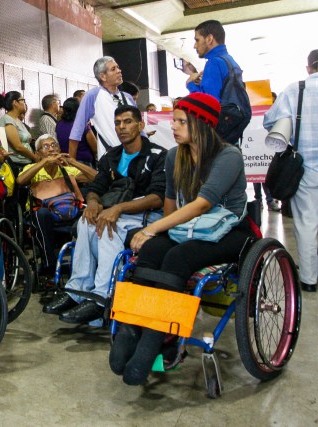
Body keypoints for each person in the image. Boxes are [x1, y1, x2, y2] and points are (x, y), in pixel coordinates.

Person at [110, 93, 252, 385]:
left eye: (180, 121)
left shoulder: (228, 156)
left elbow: (201, 204)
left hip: (230, 231)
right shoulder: (175, 155)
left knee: (177, 257)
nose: (172, 126)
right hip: (189, 228)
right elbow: (171, 204)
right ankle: (130, 328)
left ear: (201, 123)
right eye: (173, 120)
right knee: (149, 252)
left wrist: (152, 228)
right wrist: (155, 234)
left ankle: (153, 341)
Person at [43, 105, 166, 324]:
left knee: (108, 226)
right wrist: (91, 203)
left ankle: (101, 298)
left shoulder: (157, 156)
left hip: (146, 215)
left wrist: (117, 209)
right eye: (118, 123)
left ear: (140, 125)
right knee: (86, 221)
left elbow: (157, 197)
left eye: (127, 122)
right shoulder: (111, 157)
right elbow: (97, 188)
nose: (122, 127)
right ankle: (77, 291)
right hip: (115, 212)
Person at [263, 49, 318, 292]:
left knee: (307, 223)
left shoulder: (296, 90)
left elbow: (269, 122)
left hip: (305, 168)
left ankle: (309, 280)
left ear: (308, 68)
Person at [16, 134, 96, 277]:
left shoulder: (66, 169)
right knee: (41, 214)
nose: (51, 149)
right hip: (43, 215)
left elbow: (97, 178)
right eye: (45, 147)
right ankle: (49, 264)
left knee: (89, 213)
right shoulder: (32, 168)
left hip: (69, 213)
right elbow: (20, 181)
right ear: (38, 153)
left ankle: (88, 265)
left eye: (54, 145)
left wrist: (73, 162)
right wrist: (43, 162)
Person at [183, 20, 247, 145]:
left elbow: (208, 105)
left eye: (197, 40)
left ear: (209, 39)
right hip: (231, 133)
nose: (194, 46)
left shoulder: (214, 63)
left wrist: (190, 84)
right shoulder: (230, 61)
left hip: (217, 137)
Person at [69, 56, 136, 162]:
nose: (119, 71)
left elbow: (139, 129)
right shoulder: (93, 96)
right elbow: (77, 130)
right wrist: (71, 163)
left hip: (135, 157)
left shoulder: (128, 97)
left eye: (118, 67)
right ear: (103, 76)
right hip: (111, 159)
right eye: (113, 69)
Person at [0, 91, 36, 170]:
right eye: (23, 100)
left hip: (26, 161)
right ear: (15, 103)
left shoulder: (17, 119)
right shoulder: (7, 120)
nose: (24, 103)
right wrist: (34, 157)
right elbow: (18, 147)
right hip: (18, 164)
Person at [56, 97, 96, 167]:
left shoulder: (59, 124)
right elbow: (95, 148)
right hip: (82, 163)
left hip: (65, 161)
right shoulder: (82, 125)